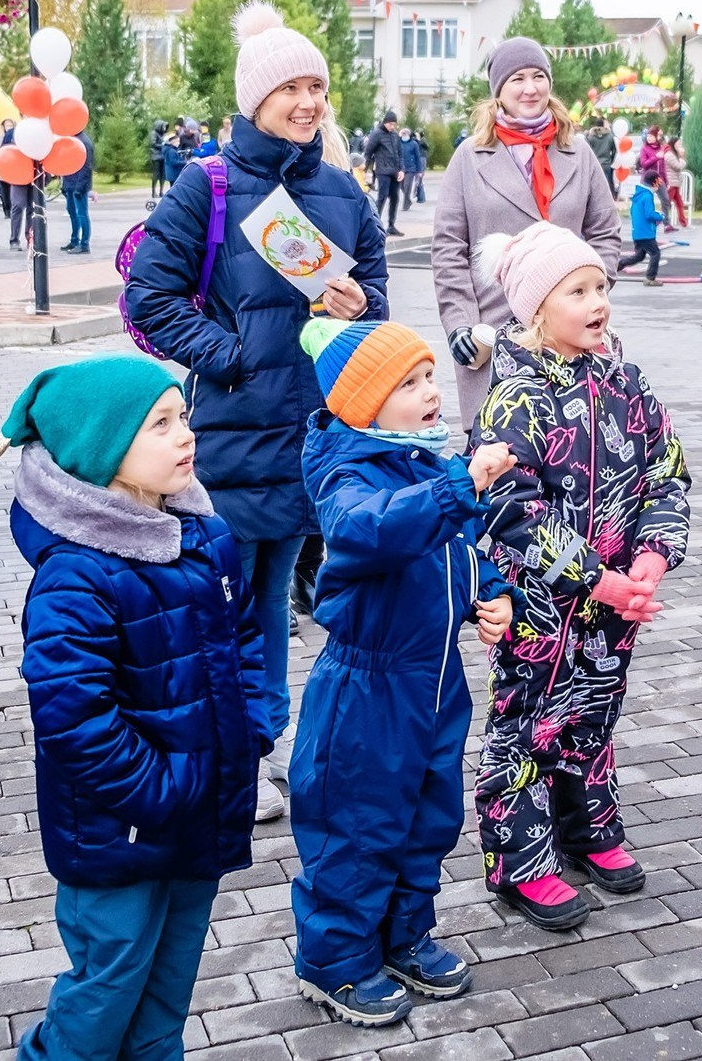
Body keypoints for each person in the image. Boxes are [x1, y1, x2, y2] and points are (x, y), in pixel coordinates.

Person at [125, 0, 390, 827]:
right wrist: (230, 355)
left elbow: (379, 297)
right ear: (254, 99)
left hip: (315, 440)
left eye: (317, 87)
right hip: (234, 443)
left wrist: (362, 305)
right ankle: (214, 756)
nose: (307, 103)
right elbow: (150, 296)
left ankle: (256, 754)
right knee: (220, 604)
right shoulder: (206, 187)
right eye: (290, 89)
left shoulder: (342, 191)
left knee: (274, 602)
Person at [0, 356, 270, 1060]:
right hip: (118, 833)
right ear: (103, 449)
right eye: (160, 425)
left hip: (199, 816)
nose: (186, 435)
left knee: (169, 983)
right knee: (107, 986)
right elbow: (72, 715)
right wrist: (159, 790)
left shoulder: (204, 536)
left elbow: (243, 638)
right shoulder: (76, 576)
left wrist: (254, 726)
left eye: (182, 417)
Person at [288, 318, 517, 1026]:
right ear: (363, 403)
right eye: (407, 383)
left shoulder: (422, 459)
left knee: (427, 817)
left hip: (436, 678)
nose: (429, 393)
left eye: (428, 377)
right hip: (367, 686)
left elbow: (456, 539)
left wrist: (488, 588)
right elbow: (369, 528)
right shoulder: (346, 469)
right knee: (358, 823)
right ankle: (335, 960)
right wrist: (458, 488)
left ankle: (403, 935)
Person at [470, 222, 690, 932]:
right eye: (578, 290)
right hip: (541, 603)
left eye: (601, 287)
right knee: (526, 721)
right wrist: (593, 578)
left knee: (595, 709)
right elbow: (510, 505)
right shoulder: (514, 399)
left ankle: (588, 827)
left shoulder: (629, 382)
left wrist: (652, 556)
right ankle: (520, 861)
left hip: (616, 601)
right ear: (537, 310)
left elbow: (666, 475)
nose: (598, 301)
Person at [433, 37, 623, 424]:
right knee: (501, 458)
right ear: (499, 90)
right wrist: (460, 324)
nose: (531, 87)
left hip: (567, 335)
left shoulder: (579, 152)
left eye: (539, 76)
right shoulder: (469, 157)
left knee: (574, 453)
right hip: (493, 332)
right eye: (517, 78)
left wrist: (588, 291)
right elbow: (449, 247)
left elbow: (605, 231)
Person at [618, 165, 666, 286]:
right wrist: (660, 216)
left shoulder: (637, 196)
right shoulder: (647, 196)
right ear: (654, 183)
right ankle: (651, 278)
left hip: (638, 232)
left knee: (639, 256)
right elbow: (649, 214)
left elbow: (634, 212)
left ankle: (617, 265)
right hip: (646, 233)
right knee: (655, 253)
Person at [365, 110, 406, 237]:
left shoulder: (394, 135)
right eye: (391, 124)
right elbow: (368, 152)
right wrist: (367, 169)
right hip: (382, 171)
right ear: (385, 122)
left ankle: (391, 225)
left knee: (395, 197)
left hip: (395, 171)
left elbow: (400, 154)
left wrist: (402, 170)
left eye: (395, 125)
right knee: (382, 198)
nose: (392, 127)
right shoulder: (377, 134)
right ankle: (375, 225)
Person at [2, 137, 44, 253]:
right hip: (18, 176)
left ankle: (30, 238)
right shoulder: (18, 135)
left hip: (34, 176)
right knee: (18, 206)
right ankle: (14, 239)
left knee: (32, 207)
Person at [60, 128, 94, 254]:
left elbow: (86, 167)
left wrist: (79, 187)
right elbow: (67, 163)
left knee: (81, 214)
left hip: (79, 185)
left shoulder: (84, 142)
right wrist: (65, 185)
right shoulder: (72, 140)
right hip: (70, 183)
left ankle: (84, 244)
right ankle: (74, 240)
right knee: (73, 213)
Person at [401, 125, 428, 205]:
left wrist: (419, 170)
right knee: (401, 185)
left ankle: (409, 202)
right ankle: (410, 199)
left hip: (412, 167)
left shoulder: (416, 142)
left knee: (413, 183)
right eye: (403, 134)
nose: (404, 136)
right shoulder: (399, 143)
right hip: (401, 167)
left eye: (406, 134)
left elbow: (418, 156)